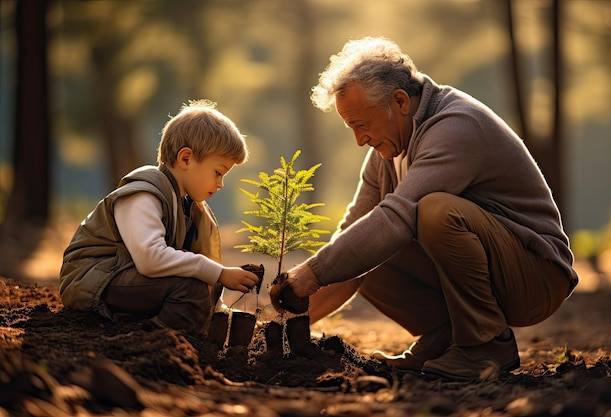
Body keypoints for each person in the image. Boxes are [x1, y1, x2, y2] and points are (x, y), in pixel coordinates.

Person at [270, 37, 578, 381]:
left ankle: (485, 345)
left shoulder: (457, 125)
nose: (359, 140)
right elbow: (353, 236)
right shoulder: (385, 153)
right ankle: (444, 336)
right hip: (495, 274)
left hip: (536, 278)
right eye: (351, 127)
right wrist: (286, 324)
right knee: (361, 244)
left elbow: (398, 218)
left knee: (432, 211)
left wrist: (309, 274)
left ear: (400, 101)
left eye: (362, 124)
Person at [60, 100, 259, 335]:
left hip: (126, 278)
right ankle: (151, 337)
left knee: (202, 285)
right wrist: (219, 272)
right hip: (92, 280)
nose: (220, 184)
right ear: (186, 159)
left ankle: (152, 326)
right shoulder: (143, 194)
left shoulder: (187, 206)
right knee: (190, 289)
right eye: (218, 172)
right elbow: (150, 258)